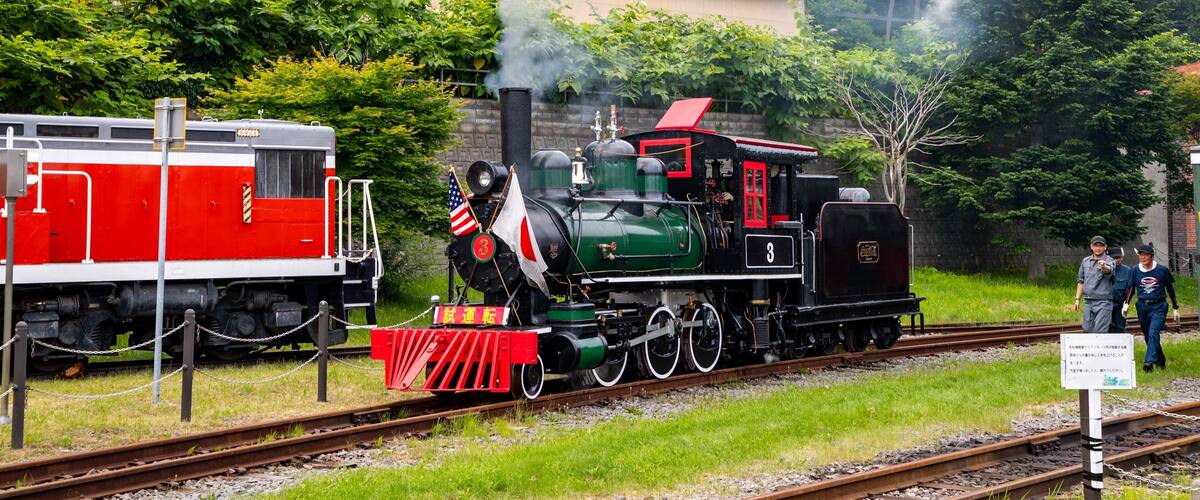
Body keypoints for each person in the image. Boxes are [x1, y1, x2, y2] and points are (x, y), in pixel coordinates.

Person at [1122, 245, 1180, 372]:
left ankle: (1148, 362)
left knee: (1154, 332)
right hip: (1142, 306)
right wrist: (1126, 304)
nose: (1143, 257)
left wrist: (1175, 308)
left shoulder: (1162, 270)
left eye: (1146, 255)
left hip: (1159, 306)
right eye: (1141, 255)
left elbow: (1170, 289)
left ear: (1152, 256)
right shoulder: (1134, 270)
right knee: (1148, 335)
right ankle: (1160, 360)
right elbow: (1131, 288)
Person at [1075, 236, 1115, 332]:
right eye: (1095, 245)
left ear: (1105, 247)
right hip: (1088, 301)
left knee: (1100, 331)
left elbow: (1109, 271)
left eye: (1100, 246)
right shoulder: (1085, 261)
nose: (1098, 248)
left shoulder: (1109, 260)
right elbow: (1081, 281)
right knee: (1087, 329)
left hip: (1103, 301)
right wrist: (1077, 299)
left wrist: (1104, 266)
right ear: (1091, 247)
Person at [1108, 247, 1133, 333]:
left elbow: (1130, 289)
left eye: (1118, 257)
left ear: (1122, 258)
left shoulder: (1128, 271)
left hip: (1120, 305)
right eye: (1113, 258)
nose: (1116, 260)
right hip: (1106, 305)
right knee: (1106, 328)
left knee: (1120, 328)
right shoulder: (1104, 269)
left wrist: (1126, 303)